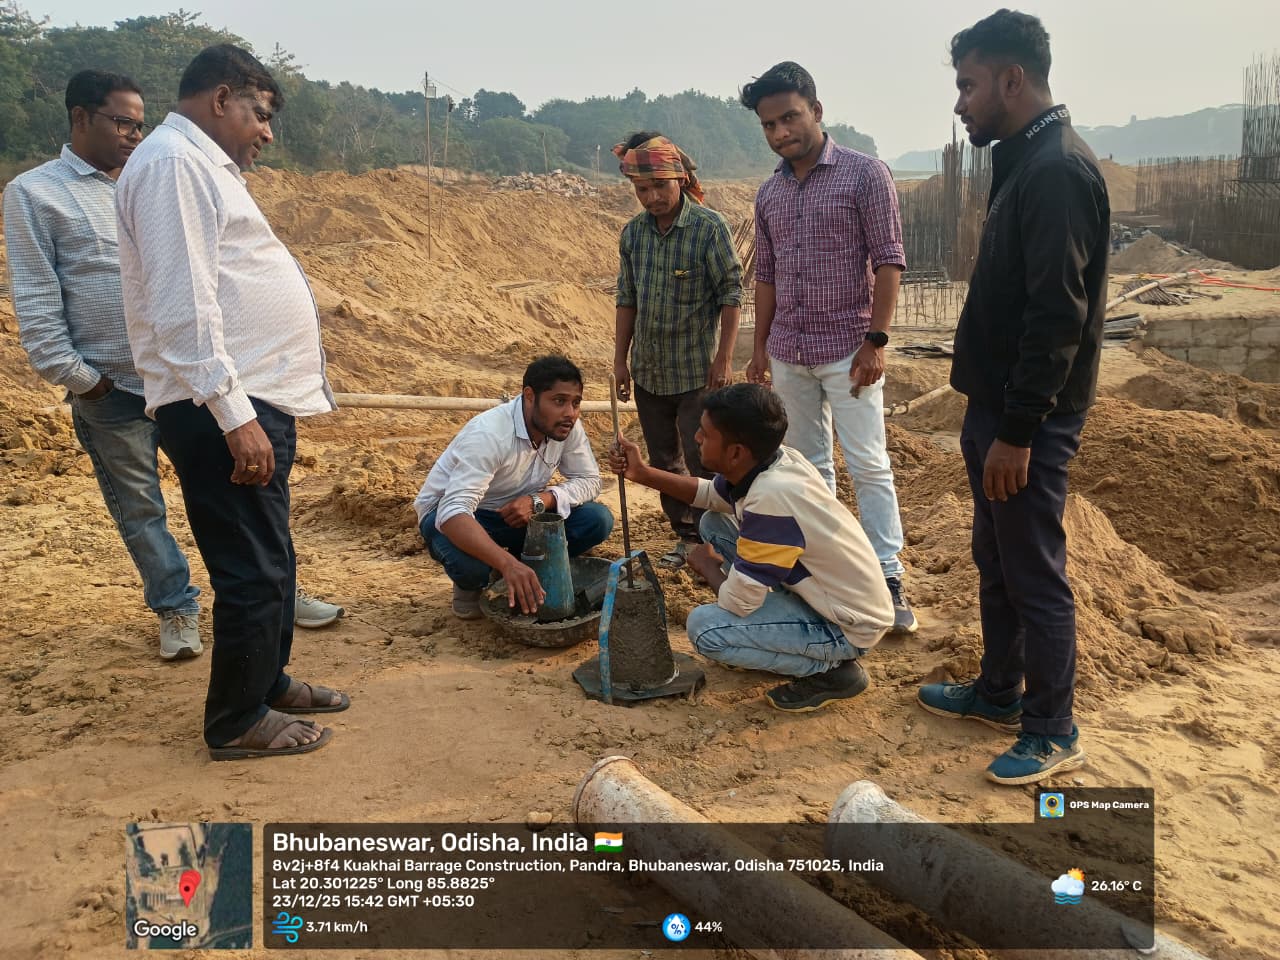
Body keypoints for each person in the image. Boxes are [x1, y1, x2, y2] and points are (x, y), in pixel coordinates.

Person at [116, 44, 347, 760]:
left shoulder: (199, 165)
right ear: (221, 99)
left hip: (244, 400)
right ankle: (237, 720)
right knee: (251, 567)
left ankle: (266, 681)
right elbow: (184, 308)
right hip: (221, 405)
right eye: (261, 113)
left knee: (272, 556)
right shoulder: (173, 165)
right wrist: (234, 415)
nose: (267, 133)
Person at [916, 10, 1110, 785]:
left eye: (968, 85)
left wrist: (1020, 431)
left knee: (1033, 570)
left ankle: (1053, 728)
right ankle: (999, 692)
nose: (960, 102)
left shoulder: (1057, 171)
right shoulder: (1024, 159)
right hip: (994, 406)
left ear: (1012, 80)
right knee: (996, 556)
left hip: (1028, 419)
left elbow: (1057, 314)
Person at [3, 70, 207, 660]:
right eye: (123, 123)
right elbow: (37, 303)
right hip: (112, 391)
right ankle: (176, 607)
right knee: (141, 509)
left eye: (140, 125)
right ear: (80, 118)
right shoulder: (34, 194)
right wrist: (86, 383)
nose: (135, 136)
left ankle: (268, 592)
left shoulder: (150, 182)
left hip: (184, 380)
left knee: (225, 493)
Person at [739, 62, 917, 637]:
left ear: (816, 111)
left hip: (848, 348)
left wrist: (876, 341)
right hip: (789, 350)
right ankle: (834, 572)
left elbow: (888, 260)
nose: (780, 132)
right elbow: (766, 275)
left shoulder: (865, 175)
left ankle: (887, 574)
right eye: (769, 125)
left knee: (868, 463)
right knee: (808, 469)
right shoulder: (769, 192)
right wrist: (761, 347)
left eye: (789, 117)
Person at [609, 383, 894, 713]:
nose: (697, 438)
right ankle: (785, 632)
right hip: (828, 596)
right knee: (713, 522)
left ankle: (831, 670)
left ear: (736, 453)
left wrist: (708, 567)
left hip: (845, 627)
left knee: (705, 630)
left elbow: (738, 603)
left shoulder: (771, 498)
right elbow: (710, 496)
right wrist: (642, 473)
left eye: (705, 434)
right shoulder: (777, 461)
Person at [612, 132, 743, 570]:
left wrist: (724, 359)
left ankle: (717, 540)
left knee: (704, 459)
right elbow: (627, 299)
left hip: (695, 373)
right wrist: (620, 361)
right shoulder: (633, 234)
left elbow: (731, 295)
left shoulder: (709, 228)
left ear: (681, 180)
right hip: (649, 371)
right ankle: (687, 538)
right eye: (642, 190)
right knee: (663, 460)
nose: (652, 197)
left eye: (660, 186)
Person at [415, 355, 614, 619]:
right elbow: (453, 512)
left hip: (519, 514)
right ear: (530, 396)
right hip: (458, 516)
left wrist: (541, 500)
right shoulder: (489, 433)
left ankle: (524, 570)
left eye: (576, 403)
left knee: (596, 520)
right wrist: (506, 564)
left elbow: (589, 480)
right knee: (472, 569)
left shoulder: (566, 426)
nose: (570, 413)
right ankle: (478, 579)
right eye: (559, 401)